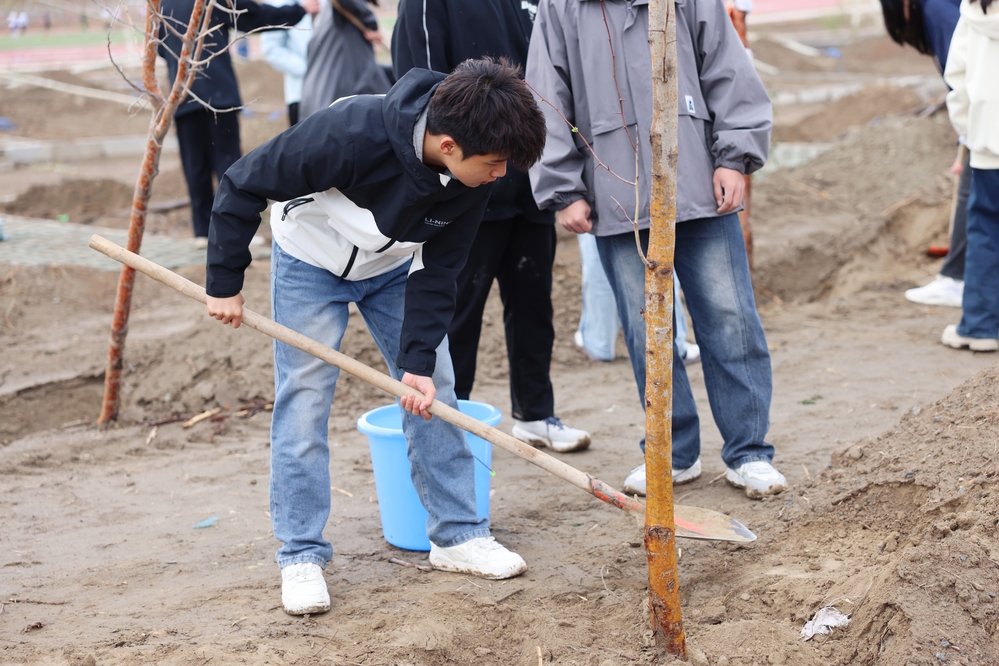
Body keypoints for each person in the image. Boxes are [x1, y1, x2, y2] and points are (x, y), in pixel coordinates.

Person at [204, 59, 546, 614]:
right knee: (304, 398)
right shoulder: (348, 133)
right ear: (450, 145)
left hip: (391, 270)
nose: (500, 174)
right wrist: (224, 281)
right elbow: (243, 181)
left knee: (434, 387)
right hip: (309, 261)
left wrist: (417, 360)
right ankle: (300, 555)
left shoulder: (473, 176)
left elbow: (440, 268)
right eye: (495, 163)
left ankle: (458, 535)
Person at [528, 0, 787, 498]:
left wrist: (734, 157)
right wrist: (563, 187)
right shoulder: (561, 7)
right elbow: (546, 96)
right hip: (617, 196)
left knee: (731, 319)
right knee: (648, 330)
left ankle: (749, 452)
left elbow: (728, 67)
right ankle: (671, 453)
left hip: (699, 182)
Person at [391, 0, 591, 453]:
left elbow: (550, 79)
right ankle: (449, 420)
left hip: (529, 180)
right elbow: (419, 86)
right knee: (456, 315)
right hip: (465, 192)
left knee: (534, 306)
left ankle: (536, 413)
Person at [157, 0, 317, 245]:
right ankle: (234, 233)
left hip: (182, 95)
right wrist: (300, 10)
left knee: (194, 164)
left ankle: (202, 232)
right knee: (228, 163)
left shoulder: (161, 4)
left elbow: (158, 46)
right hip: (219, 94)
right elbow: (255, 17)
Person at [881, 0, 969, 308]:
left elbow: (963, 78)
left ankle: (957, 279)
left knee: (972, 192)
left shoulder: (936, 10)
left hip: (986, 118)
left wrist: (967, 139)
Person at [940, 0, 999, 351]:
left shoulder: (974, 13)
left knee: (986, 232)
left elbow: (957, 79)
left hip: (989, 143)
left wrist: (970, 131)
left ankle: (981, 326)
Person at [299, 0, 390, 119]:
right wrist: (371, 24)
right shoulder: (341, 18)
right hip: (338, 105)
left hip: (324, 105)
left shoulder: (330, 17)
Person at [261, 0, 313, 126]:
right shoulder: (280, 3)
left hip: (341, 91)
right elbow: (271, 49)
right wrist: (310, 69)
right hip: (302, 94)